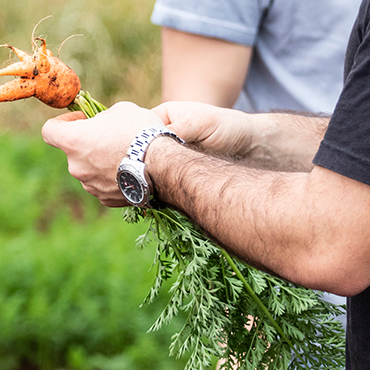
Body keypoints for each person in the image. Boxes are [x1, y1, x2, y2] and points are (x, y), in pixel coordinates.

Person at [41, 0, 370, 368]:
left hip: (303, 279)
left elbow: (332, 239)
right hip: (290, 287)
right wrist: (251, 136)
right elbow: (356, 149)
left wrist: (145, 156)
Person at [152, 0, 361, 325]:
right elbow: (185, 127)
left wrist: (150, 159)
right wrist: (236, 304)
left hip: (335, 252)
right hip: (285, 299)